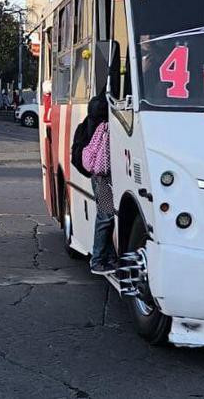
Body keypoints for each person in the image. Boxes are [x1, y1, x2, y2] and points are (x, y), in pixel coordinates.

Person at [84, 92, 117, 275]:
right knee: (106, 216)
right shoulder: (106, 126)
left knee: (108, 216)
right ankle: (97, 261)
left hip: (98, 176)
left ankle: (109, 258)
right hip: (102, 177)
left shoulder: (94, 122)